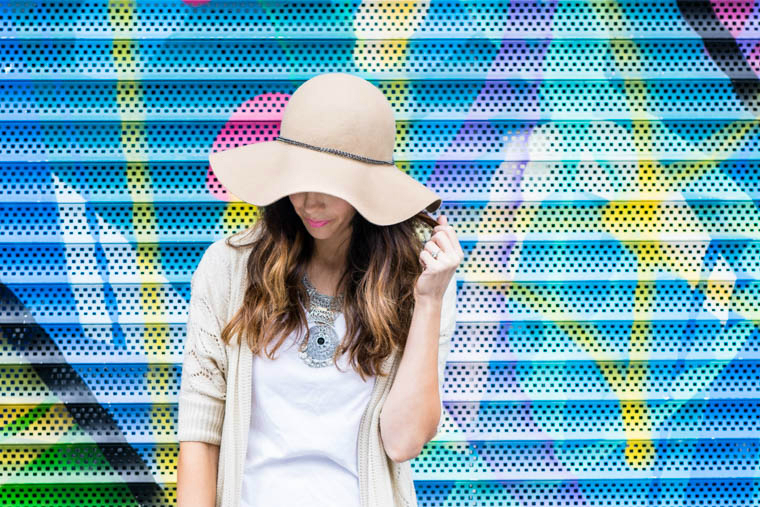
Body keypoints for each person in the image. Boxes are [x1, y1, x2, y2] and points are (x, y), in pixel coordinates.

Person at [176, 72, 463, 507]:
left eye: (330, 186)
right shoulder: (228, 269)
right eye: (298, 180)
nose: (310, 202)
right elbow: (201, 428)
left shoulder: (418, 282)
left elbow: (403, 441)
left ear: (369, 187)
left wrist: (429, 301)